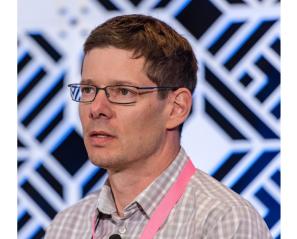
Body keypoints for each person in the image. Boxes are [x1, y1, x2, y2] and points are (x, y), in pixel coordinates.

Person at [45, 14, 272, 239]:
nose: (96, 108)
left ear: (176, 108)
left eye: (124, 91)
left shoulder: (223, 222)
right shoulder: (67, 226)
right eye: (88, 90)